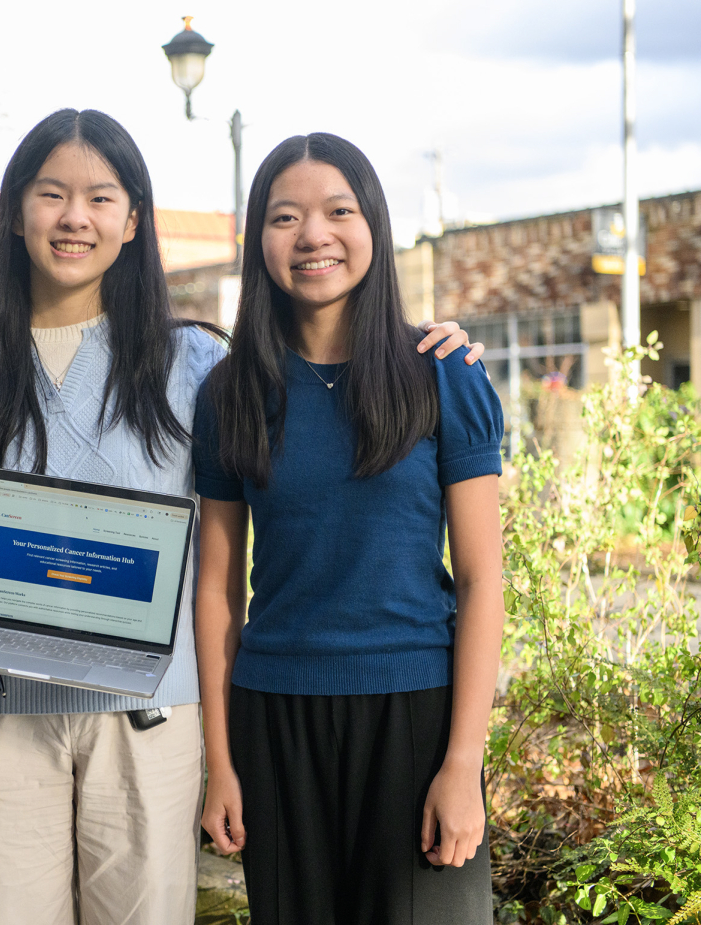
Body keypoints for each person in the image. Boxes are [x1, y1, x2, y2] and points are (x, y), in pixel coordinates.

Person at [0, 109, 483, 925]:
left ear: (134, 220)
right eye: (51, 194)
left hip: (149, 720)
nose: (75, 217)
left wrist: (438, 341)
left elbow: (228, 557)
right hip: (0, 708)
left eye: (100, 197)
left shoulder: (198, 366)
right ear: (16, 210)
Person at [193, 132, 506, 925]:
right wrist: (220, 763)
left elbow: (480, 580)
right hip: (276, 716)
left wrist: (462, 763)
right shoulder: (230, 393)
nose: (312, 236)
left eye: (337, 210)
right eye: (283, 216)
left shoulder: (442, 373)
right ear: (257, 239)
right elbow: (217, 589)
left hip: (416, 713)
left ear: (373, 223)